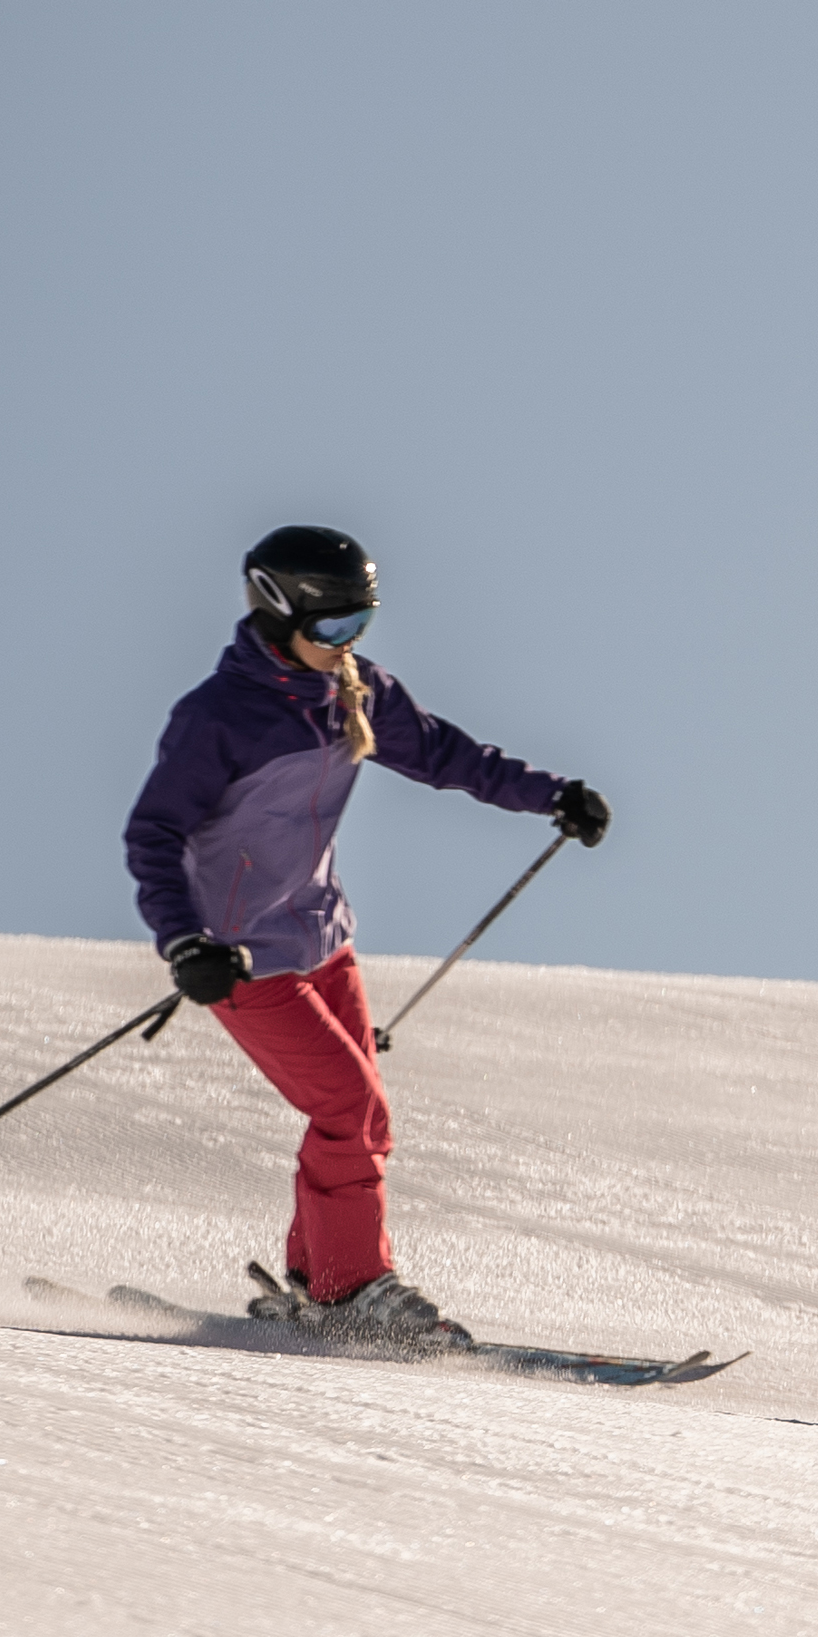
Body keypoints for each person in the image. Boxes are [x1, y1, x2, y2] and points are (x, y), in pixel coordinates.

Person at [124, 524, 609, 1347]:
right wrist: (185, 943)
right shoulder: (220, 717)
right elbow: (154, 833)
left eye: (361, 625)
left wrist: (552, 794)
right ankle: (354, 1293)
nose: (346, 644)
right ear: (279, 616)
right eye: (331, 629)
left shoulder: (357, 691)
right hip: (242, 955)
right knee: (347, 1107)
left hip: (320, 936)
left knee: (365, 1117)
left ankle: (318, 1284)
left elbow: (450, 757)